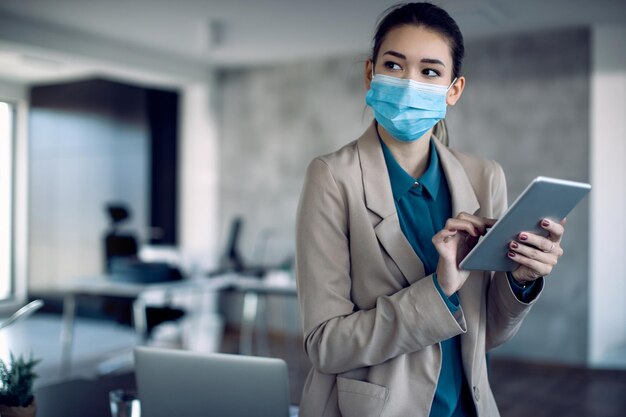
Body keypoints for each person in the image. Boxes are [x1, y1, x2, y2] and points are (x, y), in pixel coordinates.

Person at [295, 3, 566, 417]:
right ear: (370, 73)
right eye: (394, 65)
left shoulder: (484, 176)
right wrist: (438, 291)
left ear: (453, 89)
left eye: (430, 72)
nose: (408, 83)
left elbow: (487, 332)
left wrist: (521, 280)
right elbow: (326, 346)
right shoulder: (332, 177)